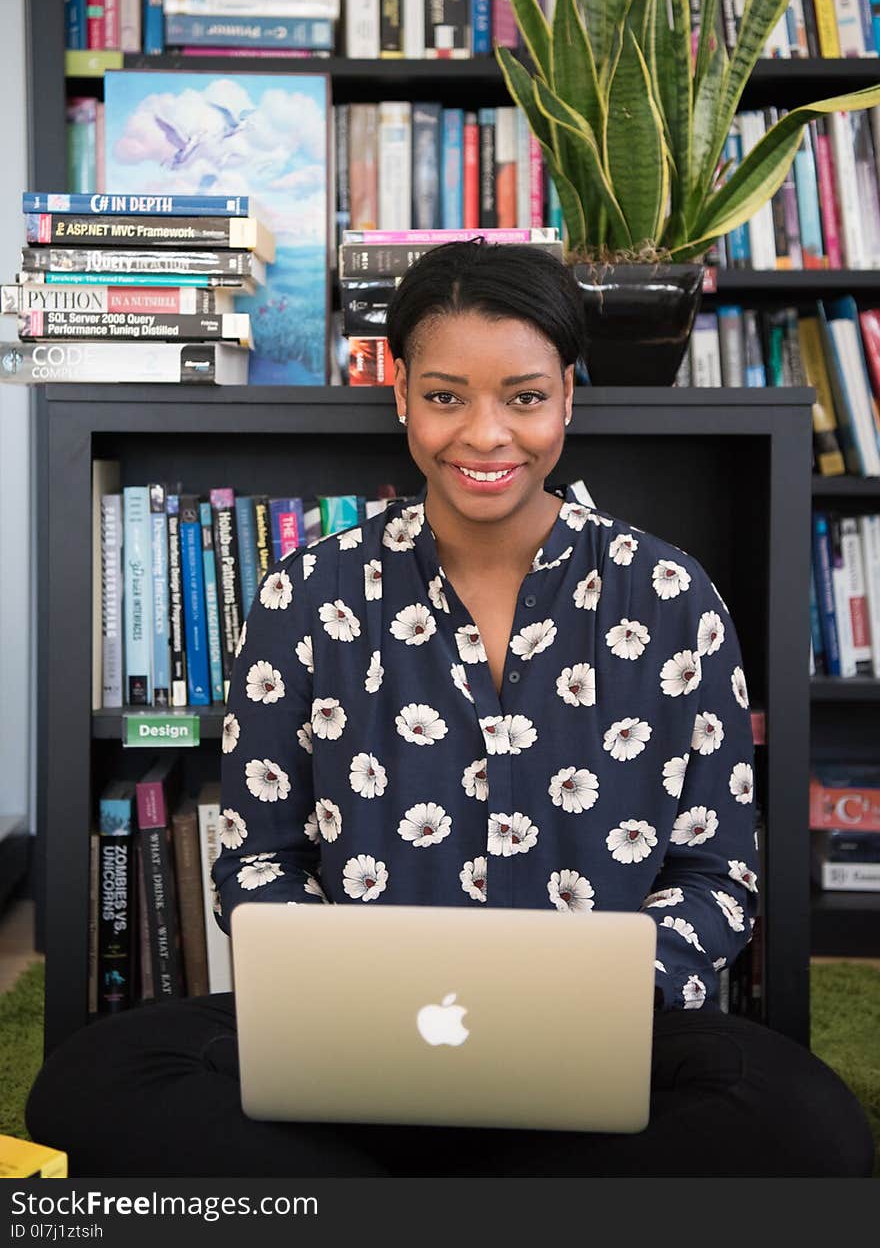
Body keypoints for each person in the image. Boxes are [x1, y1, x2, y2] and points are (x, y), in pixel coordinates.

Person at [26, 241, 874, 1177]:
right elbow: (259, 855)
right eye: (444, 396)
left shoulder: (672, 596)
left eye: (523, 396)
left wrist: (606, 1002)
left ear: (566, 398)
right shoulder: (305, 593)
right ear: (400, 396)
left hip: (608, 1042)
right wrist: (338, 1003)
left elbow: (718, 873)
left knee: (810, 1128)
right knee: (90, 1082)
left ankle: (384, 1209)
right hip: (359, 1041)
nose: (484, 435)